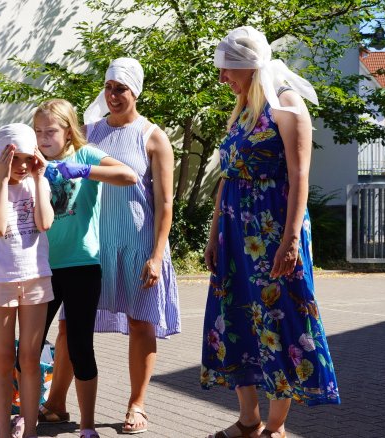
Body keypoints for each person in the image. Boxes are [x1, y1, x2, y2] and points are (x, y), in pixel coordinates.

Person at [201, 26, 341, 438]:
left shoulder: (286, 104)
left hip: (273, 229)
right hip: (233, 232)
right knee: (235, 317)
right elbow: (227, 177)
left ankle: (275, 426)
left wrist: (291, 239)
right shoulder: (244, 108)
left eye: (227, 70)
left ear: (247, 65)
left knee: (281, 318)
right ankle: (248, 419)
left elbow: (299, 176)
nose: (223, 78)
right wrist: (213, 235)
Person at [82, 57, 180, 435]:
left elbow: (166, 203)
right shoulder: (89, 132)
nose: (113, 95)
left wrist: (156, 256)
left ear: (135, 92)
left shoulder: (152, 136)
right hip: (93, 246)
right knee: (72, 324)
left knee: (141, 324)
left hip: (138, 246)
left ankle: (137, 404)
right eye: (108, 87)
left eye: (121, 89)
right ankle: (56, 402)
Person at [31, 99, 138, 438]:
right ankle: (26, 413)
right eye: (38, 132)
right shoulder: (32, 161)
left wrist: (85, 171)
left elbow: (128, 175)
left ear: (68, 131)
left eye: (51, 131)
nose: (43, 138)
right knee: (29, 347)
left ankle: (88, 426)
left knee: (79, 346)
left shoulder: (86, 155)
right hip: (40, 268)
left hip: (80, 265)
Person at [0, 123, 54, 438]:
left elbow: (45, 223)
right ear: (1, 156)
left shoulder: (37, 181)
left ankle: (29, 430)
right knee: (4, 358)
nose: (21, 166)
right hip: (0, 279)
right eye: (13, 158)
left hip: (36, 278)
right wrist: (3, 180)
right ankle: (4, 432)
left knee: (30, 358)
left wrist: (39, 178)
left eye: (27, 158)